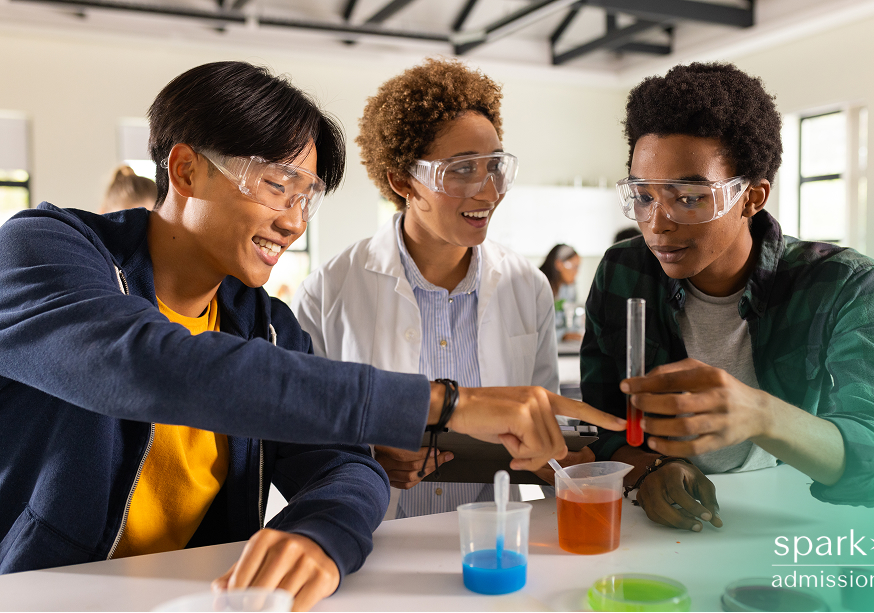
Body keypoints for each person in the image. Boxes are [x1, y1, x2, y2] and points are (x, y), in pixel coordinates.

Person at [0, 61, 624, 610]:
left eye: (309, 196)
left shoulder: (267, 324)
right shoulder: (44, 250)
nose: (295, 221)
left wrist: (318, 534)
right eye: (277, 185)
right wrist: (445, 401)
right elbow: (150, 366)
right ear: (186, 170)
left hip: (201, 597)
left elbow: (346, 463)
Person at [541, 62, 874, 532]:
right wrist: (652, 469)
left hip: (790, 525)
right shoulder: (623, 271)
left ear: (752, 198)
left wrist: (758, 413)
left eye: (689, 197)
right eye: (644, 196)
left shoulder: (840, 285)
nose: (657, 223)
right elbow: (605, 423)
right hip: (657, 525)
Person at [294, 58, 559, 518]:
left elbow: (544, 418)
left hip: (497, 531)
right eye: (461, 170)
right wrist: (371, 456)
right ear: (402, 181)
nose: (489, 192)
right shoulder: (328, 290)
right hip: (376, 534)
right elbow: (300, 433)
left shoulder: (527, 286)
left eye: (494, 166)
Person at [538, 243, 583, 342]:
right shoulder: (539, 288)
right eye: (574, 267)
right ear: (559, 264)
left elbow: (573, 321)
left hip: (560, 346)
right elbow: (536, 328)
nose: (576, 272)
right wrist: (561, 335)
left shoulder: (569, 290)